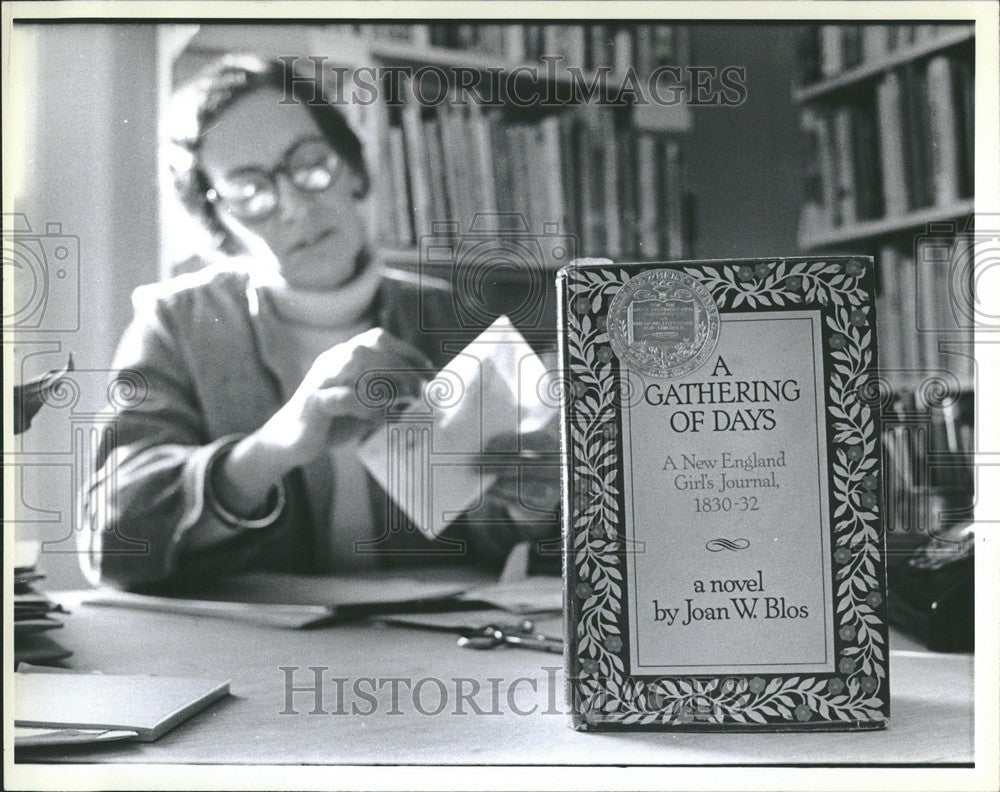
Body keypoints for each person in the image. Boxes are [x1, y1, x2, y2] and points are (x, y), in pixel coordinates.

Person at [79, 55, 559, 591]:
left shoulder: (452, 316)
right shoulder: (176, 325)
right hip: (242, 656)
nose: (295, 208)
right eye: (250, 191)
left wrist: (530, 505)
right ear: (218, 221)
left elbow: (488, 538)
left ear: (352, 165)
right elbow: (110, 545)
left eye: (310, 165)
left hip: (436, 647)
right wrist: (275, 446)